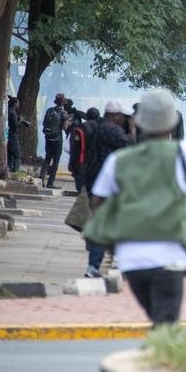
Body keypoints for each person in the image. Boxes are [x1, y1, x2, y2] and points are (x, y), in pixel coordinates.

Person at [85, 88, 186, 326]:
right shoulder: (184, 152)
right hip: (172, 255)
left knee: (159, 320)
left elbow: (97, 202)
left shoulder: (119, 160)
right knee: (166, 325)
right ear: (172, 122)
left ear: (137, 122)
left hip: (131, 259)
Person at [82, 100, 133, 278]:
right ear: (116, 116)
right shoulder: (112, 130)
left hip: (93, 178)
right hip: (109, 182)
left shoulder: (95, 126)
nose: (124, 120)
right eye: (123, 117)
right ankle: (103, 263)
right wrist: (133, 129)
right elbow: (132, 148)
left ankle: (94, 265)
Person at [39, 93, 69, 189]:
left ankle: (41, 179)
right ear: (63, 102)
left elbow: (44, 123)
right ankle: (50, 182)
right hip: (57, 140)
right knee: (55, 161)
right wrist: (68, 123)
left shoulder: (49, 110)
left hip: (48, 138)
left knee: (47, 159)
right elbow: (65, 128)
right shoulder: (64, 113)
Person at [68, 107, 100, 192]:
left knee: (81, 191)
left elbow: (73, 148)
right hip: (95, 166)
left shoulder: (79, 129)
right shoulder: (101, 129)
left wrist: (72, 165)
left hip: (79, 165)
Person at [7, 97, 22, 173]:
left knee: (9, 155)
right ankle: (15, 171)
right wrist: (20, 121)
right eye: (18, 103)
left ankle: (9, 169)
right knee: (17, 155)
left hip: (7, 134)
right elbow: (15, 125)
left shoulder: (7, 111)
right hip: (13, 135)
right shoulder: (13, 112)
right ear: (15, 103)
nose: (19, 104)